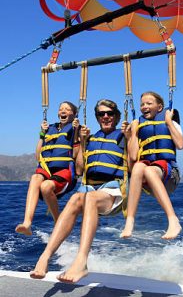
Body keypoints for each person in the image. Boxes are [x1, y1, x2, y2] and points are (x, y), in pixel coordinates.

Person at [30, 99, 130, 283]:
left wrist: (131, 136)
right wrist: (83, 143)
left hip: (113, 191)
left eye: (109, 113)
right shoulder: (90, 139)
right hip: (89, 188)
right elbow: (79, 170)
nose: (105, 116)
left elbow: (132, 160)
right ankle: (45, 256)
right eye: (101, 114)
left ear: (116, 116)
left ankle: (81, 261)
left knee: (89, 197)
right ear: (97, 117)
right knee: (76, 198)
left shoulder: (124, 136)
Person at [120, 91, 183, 240]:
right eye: (142, 104)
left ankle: (173, 220)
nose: (144, 107)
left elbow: (180, 145)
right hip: (149, 182)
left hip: (170, 176)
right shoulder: (140, 126)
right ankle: (130, 221)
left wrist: (169, 122)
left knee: (149, 170)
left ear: (160, 107)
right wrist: (133, 134)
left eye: (149, 103)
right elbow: (133, 156)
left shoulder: (170, 122)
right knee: (138, 167)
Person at [15, 101, 80, 236]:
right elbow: (38, 156)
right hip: (46, 169)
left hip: (65, 172)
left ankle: (58, 222)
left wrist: (77, 133)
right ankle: (27, 223)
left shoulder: (76, 129)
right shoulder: (49, 129)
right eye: (61, 108)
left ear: (74, 115)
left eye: (67, 109)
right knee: (35, 177)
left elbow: (75, 154)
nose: (63, 111)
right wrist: (42, 135)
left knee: (45, 187)